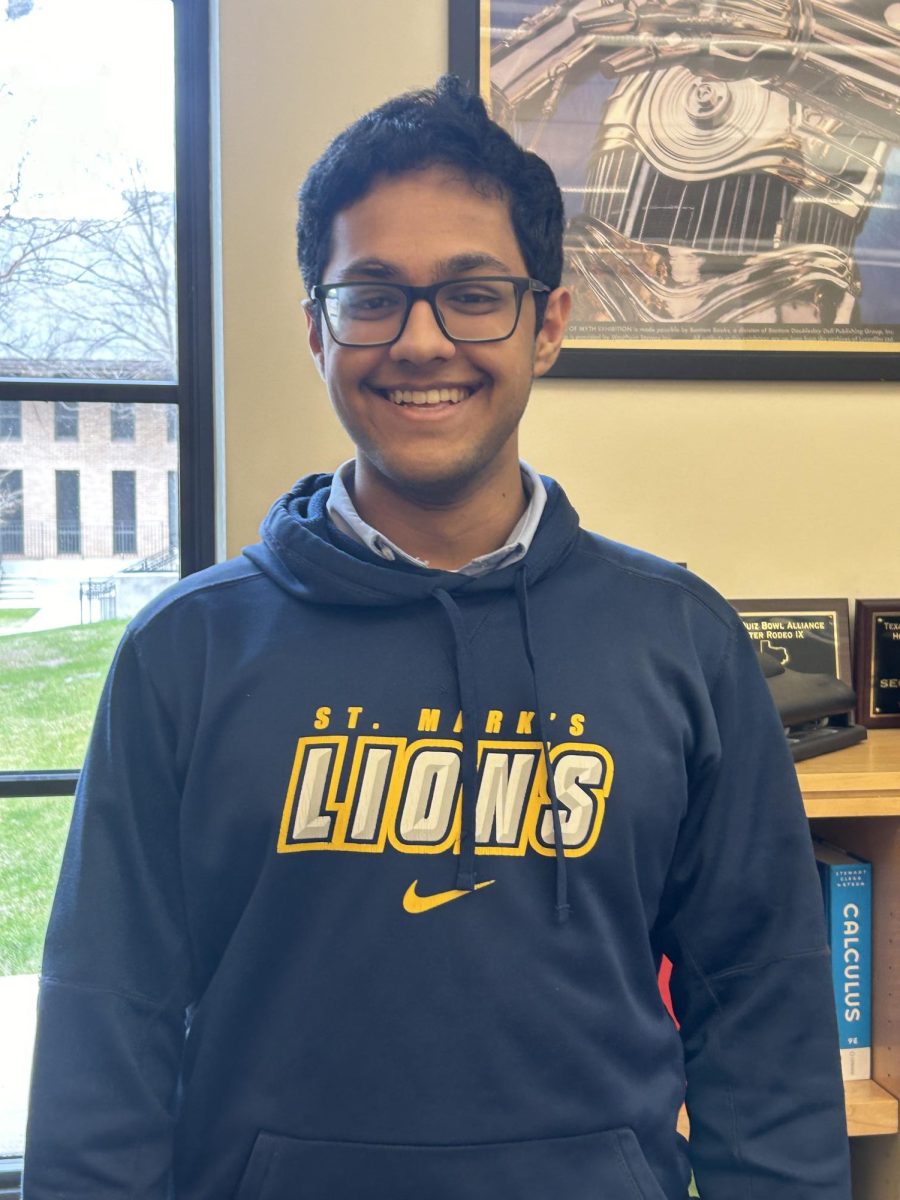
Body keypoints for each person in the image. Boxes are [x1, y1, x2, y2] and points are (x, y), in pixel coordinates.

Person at [24, 76, 850, 1199]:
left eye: (472, 294)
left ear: (548, 321)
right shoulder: (187, 652)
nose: (421, 342)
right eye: (372, 296)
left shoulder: (682, 644)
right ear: (318, 328)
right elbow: (102, 1038)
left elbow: (764, 1019)